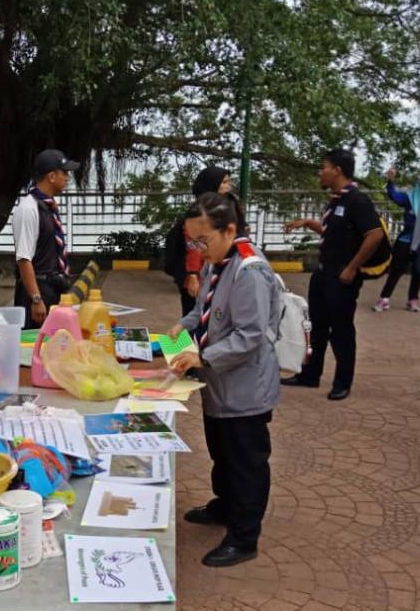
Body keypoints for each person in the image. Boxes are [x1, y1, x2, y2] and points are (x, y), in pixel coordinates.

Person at [168, 192, 280, 567]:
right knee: (222, 452)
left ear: (229, 229)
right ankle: (225, 504)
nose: (198, 249)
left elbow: (250, 335)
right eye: (192, 242)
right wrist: (178, 332)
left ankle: (244, 535)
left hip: (245, 389)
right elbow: (202, 312)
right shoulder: (217, 262)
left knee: (246, 460)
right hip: (219, 384)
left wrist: (201, 355)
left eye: (203, 240)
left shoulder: (250, 270)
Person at [281, 149, 384, 401]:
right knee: (316, 328)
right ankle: (310, 374)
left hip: (342, 277)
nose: (320, 171)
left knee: (341, 331)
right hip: (323, 274)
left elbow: (374, 234)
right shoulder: (337, 199)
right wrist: (307, 223)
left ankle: (342, 382)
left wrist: (352, 267)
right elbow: (332, 232)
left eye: (323, 166)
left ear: (337, 170)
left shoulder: (357, 200)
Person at [12, 149, 79, 325]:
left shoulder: (48, 207)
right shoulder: (28, 208)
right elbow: (24, 259)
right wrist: (36, 299)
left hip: (54, 287)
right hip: (38, 291)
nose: (67, 178)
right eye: (64, 173)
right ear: (51, 176)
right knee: (35, 346)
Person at [164, 166, 232, 316]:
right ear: (212, 185)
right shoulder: (200, 211)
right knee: (191, 317)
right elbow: (195, 245)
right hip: (195, 272)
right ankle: (173, 340)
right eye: (224, 182)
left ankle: (182, 339)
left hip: (209, 272)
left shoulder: (218, 208)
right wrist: (193, 275)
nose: (229, 186)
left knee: (204, 318)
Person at [372, 167, 420, 313]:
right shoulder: (411, 197)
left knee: (418, 271)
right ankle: (384, 298)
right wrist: (390, 180)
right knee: (396, 270)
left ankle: (413, 300)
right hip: (406, 239)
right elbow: (394, 196)